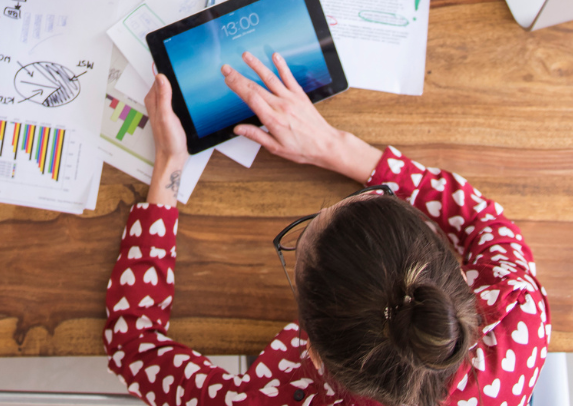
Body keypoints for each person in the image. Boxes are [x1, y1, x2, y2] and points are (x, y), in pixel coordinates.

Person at [105, 55, 548, 406]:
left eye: (299, 236)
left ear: (310, 352)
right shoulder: (516, 313)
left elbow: (132, 344)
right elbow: (484, 223)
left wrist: (168, 169)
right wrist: (337, 148)